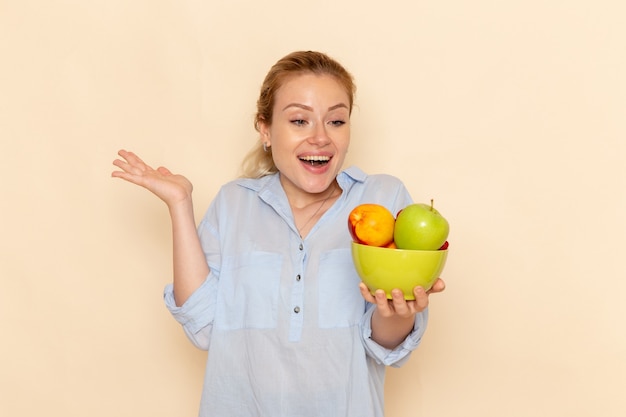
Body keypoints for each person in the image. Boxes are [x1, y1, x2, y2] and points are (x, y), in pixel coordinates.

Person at [112, 50, 445, 417]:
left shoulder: (382, 199)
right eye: (300, 120)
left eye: (336, 121)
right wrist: (180, 204)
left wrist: (398, 311)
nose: (320, 137)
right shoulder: (234, 203)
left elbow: (385, 346)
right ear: (266, 130)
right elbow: (204, 328)